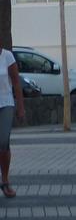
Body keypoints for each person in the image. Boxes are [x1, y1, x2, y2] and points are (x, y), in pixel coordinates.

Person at [1, 46, 26, 198]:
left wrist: (21, 107)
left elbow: (16, 82)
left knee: (3, 142)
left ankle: (4, 180)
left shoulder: (7, 56)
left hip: (5, 103)